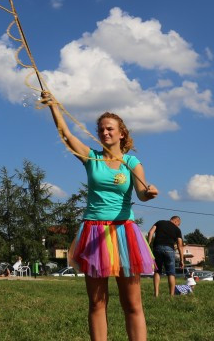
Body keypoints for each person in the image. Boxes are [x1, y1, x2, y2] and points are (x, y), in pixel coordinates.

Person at [42, 91, 157, 341]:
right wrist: (53, 106)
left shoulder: (131, 162)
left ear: (121, 133)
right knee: (97, 303)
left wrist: (149, 193)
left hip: (124, 232)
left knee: (132, 304)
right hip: (94, 232)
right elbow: (66, 135)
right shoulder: (91, 158)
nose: (105, 132)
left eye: (110, 129)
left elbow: (141, 193)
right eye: (101, 129)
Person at [147, 215, 185, 297]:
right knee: (171, 273)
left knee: (157, 271)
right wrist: (182, 259)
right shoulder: (177, 230)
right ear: (176, 221)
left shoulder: (159, 222)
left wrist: (148, 245)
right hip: (169, 250)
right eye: (178, 224)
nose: (178, 226)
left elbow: (150, 232)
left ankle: (156, 294)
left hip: (157, 248)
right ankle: (171, 295)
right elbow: (180, 245)